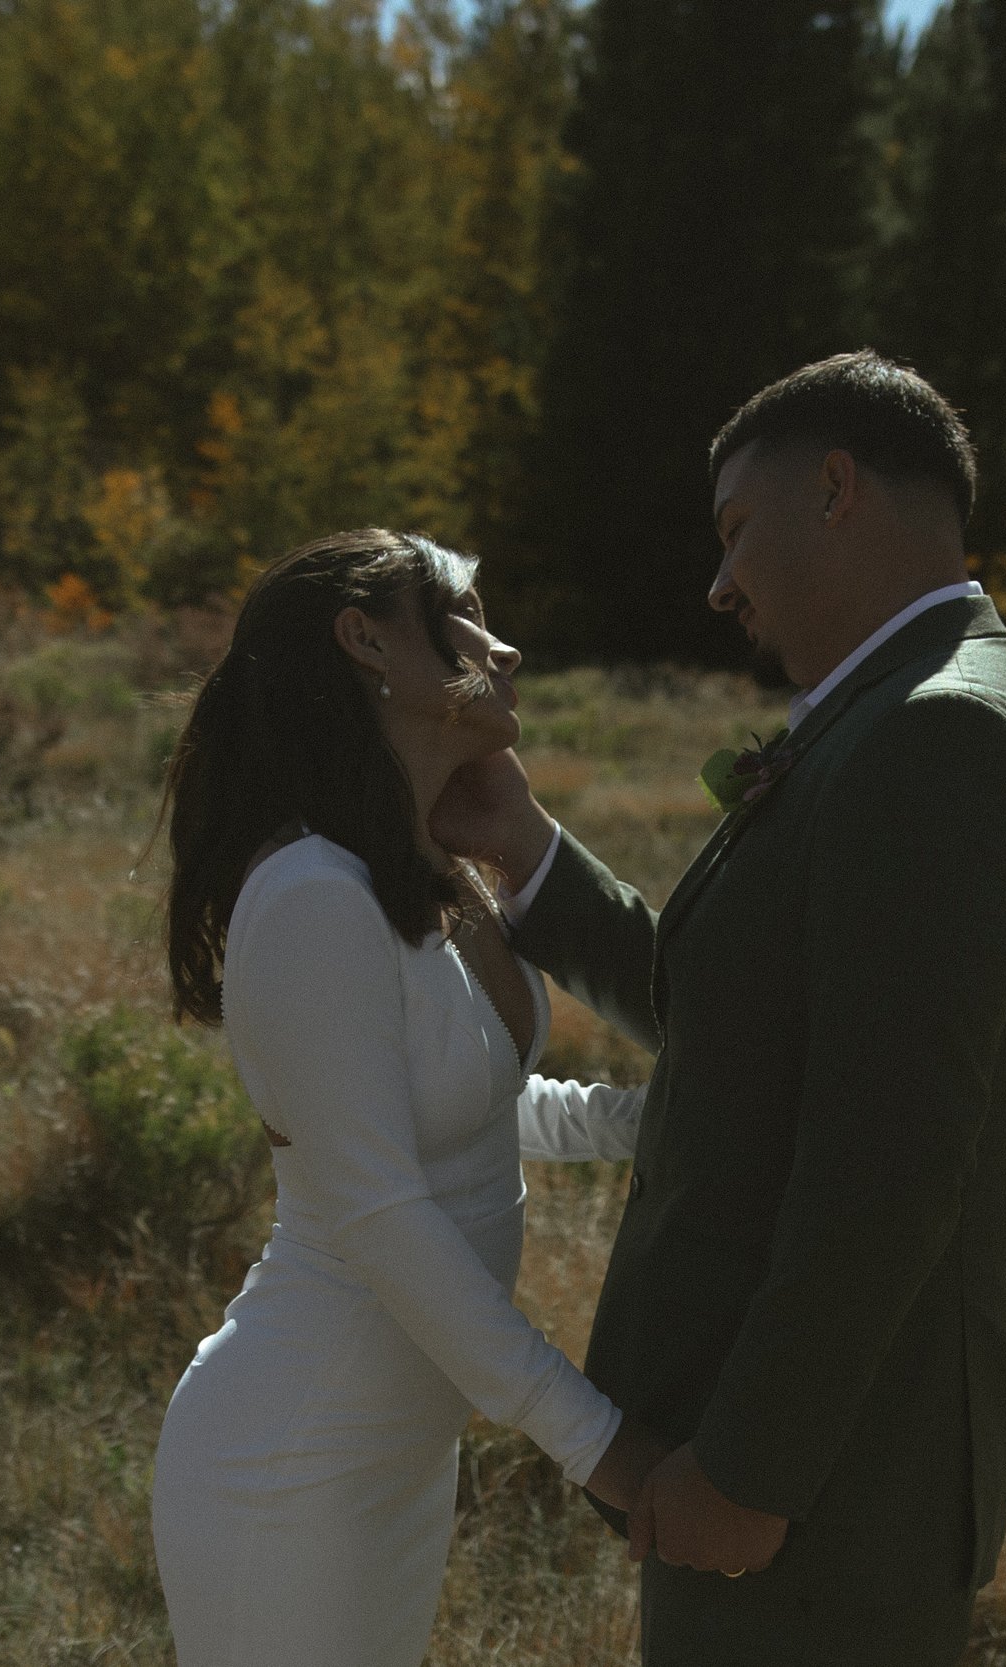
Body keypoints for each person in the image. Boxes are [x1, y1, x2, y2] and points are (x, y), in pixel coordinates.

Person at [431, 350, 1006, 1666]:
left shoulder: (936, 739)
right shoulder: (902, 711)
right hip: (813, 1473)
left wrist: (748, 1465)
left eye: (737, 528)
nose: (719, 582)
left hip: (830, 1491)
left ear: (837, 487)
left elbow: (888, 1161)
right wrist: (529, 851)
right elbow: (762, 1021)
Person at [146, 528, 671, 1667]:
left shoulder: (430, 872)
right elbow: (382, 1211)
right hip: (293, 1462)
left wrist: (666, 1121)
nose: (503, 646)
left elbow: (476, 1106)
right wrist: (596, 1441)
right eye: (465, 617)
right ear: (368, 641)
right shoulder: (310, 895)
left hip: (396, 1453)